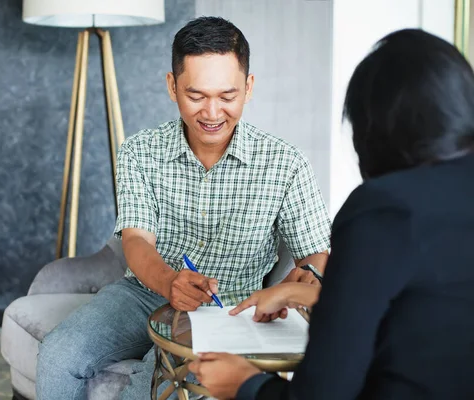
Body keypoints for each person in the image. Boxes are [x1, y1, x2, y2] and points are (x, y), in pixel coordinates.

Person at [36, 16, 331, 399]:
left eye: (227, 96)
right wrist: (168, 283)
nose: (212, 113)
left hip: (229, 311)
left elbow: (315, 252)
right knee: (57, 357)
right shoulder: (139, 152)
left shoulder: (286, 163)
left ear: (249, 87)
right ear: (172, 86)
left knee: (149, 391)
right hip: (141, 293)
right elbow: (137, 239)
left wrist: (302, 281)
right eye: (196, 95)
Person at [189, 28, 474, 400]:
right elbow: (430, 306)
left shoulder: (381, 210)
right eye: (197, 95)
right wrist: (311, 295)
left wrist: (245, 384)